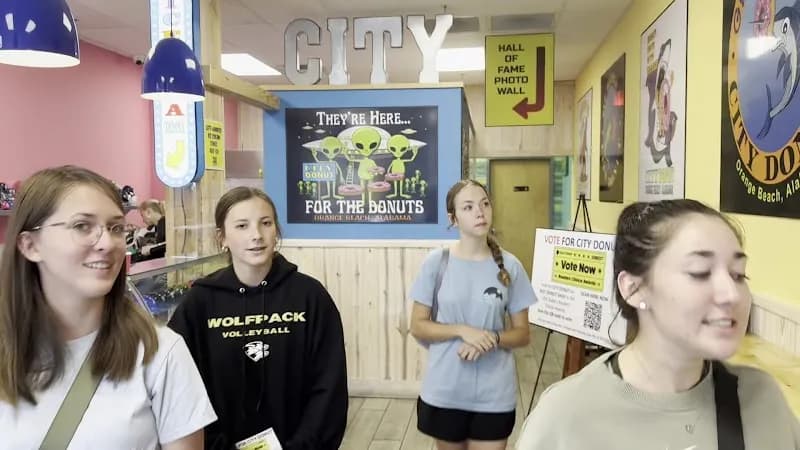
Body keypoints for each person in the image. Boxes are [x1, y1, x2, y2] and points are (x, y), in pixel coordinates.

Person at [516, 199, 800, 449]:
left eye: (738, 274)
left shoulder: (762, 399)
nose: (732, 294)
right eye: (700, 272)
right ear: (634, 288)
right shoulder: (564, 420)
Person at [0, 165, 217, 449]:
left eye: (116, 228)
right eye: (82, 226)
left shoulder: (159, 354)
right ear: (30, 245)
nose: (107, 243)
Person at [167, 186, 348, 450]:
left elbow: (329, 387)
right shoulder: (199, 304)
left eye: (266, 223)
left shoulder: (310, 297)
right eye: (242, 226)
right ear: (222, 237)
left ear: (276, 230)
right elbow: (181, 391)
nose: (256, 235)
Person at [409, 179, 536, 450]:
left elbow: (523, 334)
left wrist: (490, 337)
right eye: (468, 207)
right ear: (453, 218)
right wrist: (463, 330)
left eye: (485, 204)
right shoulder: (436, 263)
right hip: (445, 391)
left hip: (494, 395)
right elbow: (418, 326)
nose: (480, 212)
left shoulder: (511, 266)